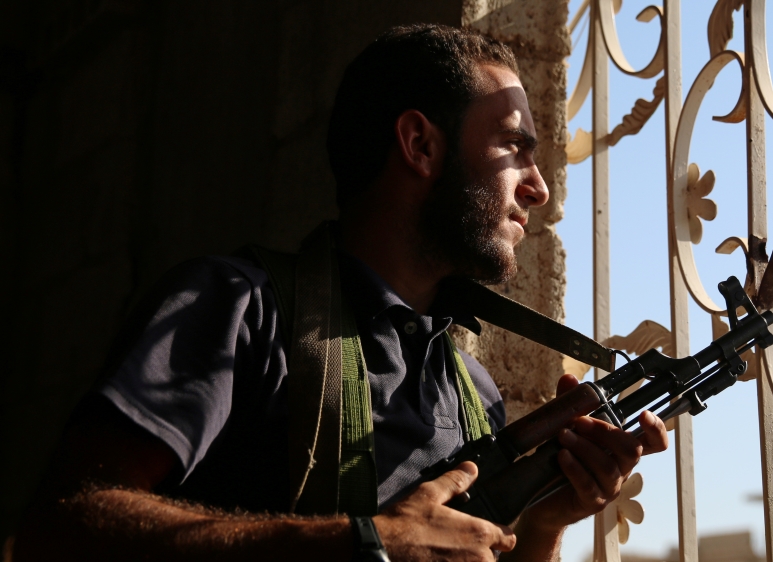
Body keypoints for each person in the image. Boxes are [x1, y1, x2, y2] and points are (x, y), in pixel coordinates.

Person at [13, 24, 668, 561]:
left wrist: (546, 522)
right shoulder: (239, 308)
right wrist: (362, 544)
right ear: (419, 145)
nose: (538, 187)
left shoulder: (475, 391)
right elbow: (64, 524)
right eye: (512, 147)